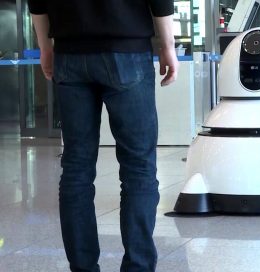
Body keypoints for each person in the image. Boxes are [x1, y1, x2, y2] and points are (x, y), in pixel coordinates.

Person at [27, 0, 179, 271]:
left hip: (69, 51)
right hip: (127, 49)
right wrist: (167, 46)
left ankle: (83, 266)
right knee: (138, 167)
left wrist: (45, 47)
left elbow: (37, 2)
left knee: (76, 169)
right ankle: (139, 266)